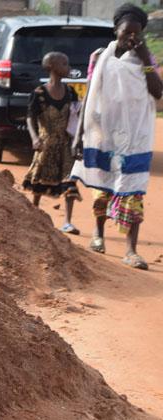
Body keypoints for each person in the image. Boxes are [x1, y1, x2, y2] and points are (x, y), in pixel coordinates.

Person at [70, 3, 163, 270]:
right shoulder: (100, 57)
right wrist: (79, 136)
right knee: (102, 189)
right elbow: (89, 95)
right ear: (116, 31)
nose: (131, 38)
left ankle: (131, 250)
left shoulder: (146, 58)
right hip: (103, 134)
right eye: (126, 33)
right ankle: (99, 234)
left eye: (137, 33)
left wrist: (145, 58)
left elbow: (158, 93)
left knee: (133, 191)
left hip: (135, 136)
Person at [23, 52, 82, 234]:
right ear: (52, 67)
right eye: (64, 63)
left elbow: (76, 114)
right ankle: (34, 215)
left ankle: (68, 221)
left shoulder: (70, 92)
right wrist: (34, 138)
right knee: (39, 180)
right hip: (46, 143)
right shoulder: (39, 94)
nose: (68, 66)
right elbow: (30, 118)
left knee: (69, 180)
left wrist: (77, 140)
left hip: (65, 143)